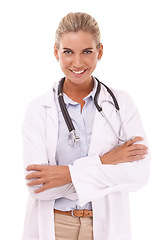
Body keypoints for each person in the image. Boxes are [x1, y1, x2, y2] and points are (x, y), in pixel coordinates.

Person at [22, 12, 150, 240]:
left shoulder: (122, 104)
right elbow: (38, 187)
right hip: (55, 224)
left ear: (100, 51)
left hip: (105, 226)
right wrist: (105, 162)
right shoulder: (38, 109)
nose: (78, 63)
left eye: (87, 52)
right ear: (56, 52)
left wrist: (66, 174)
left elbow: (138, 175)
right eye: (68, 52)